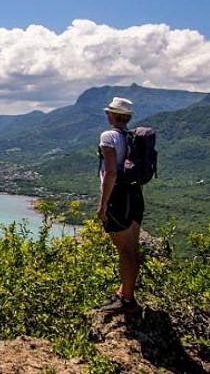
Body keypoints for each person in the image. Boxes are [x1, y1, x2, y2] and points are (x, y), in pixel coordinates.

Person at [96, 97, 144, 314]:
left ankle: (126, 300)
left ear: (113, 115)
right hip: (134, 196)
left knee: (124, 250)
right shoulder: (132, 136)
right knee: (132, 249)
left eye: (109, 112)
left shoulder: (109, 136)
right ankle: (125, 291)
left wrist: (103, 204)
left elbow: (111, 172)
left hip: (118, 199)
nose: (107, 115)